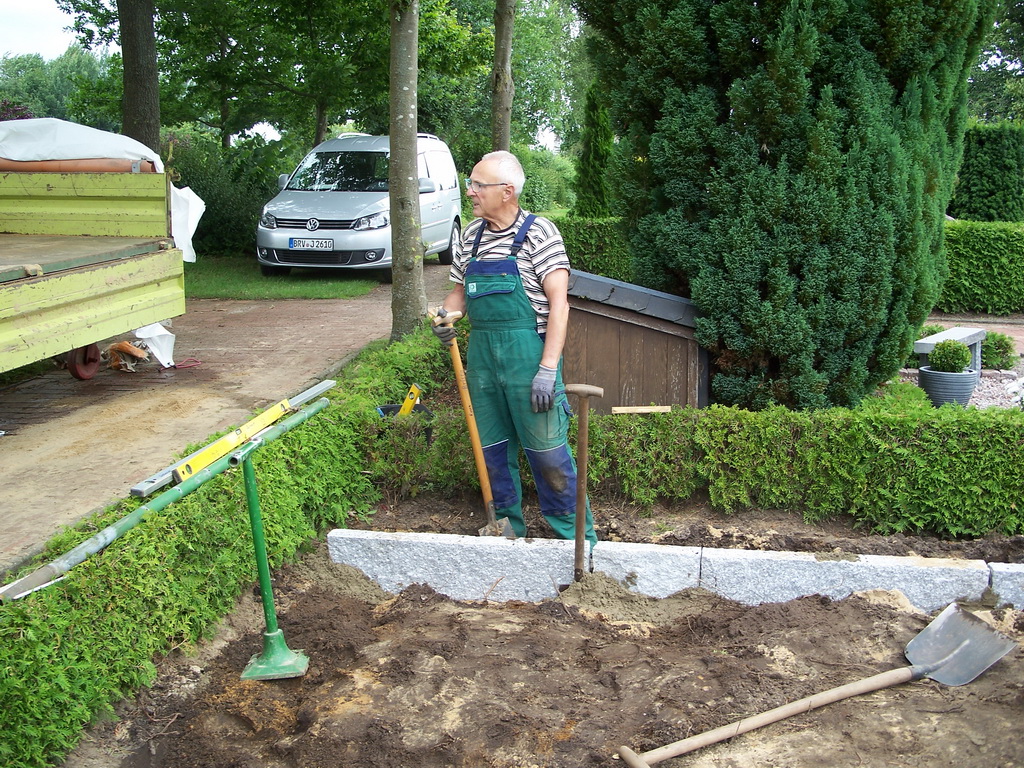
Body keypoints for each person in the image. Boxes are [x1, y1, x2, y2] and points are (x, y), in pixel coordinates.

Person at [432, 150, 596, 546]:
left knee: (548, 453)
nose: (470, 191)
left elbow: (560, 305)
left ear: (507, 191)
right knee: (491, 449)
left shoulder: (539, 233)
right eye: (470, 183)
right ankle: (506, 530)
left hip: (529, 361)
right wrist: (445, 316)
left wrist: (547, 369)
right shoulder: (471, 236)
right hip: (483, 363)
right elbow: (458, 294)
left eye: (478, 185)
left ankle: (576, 540)